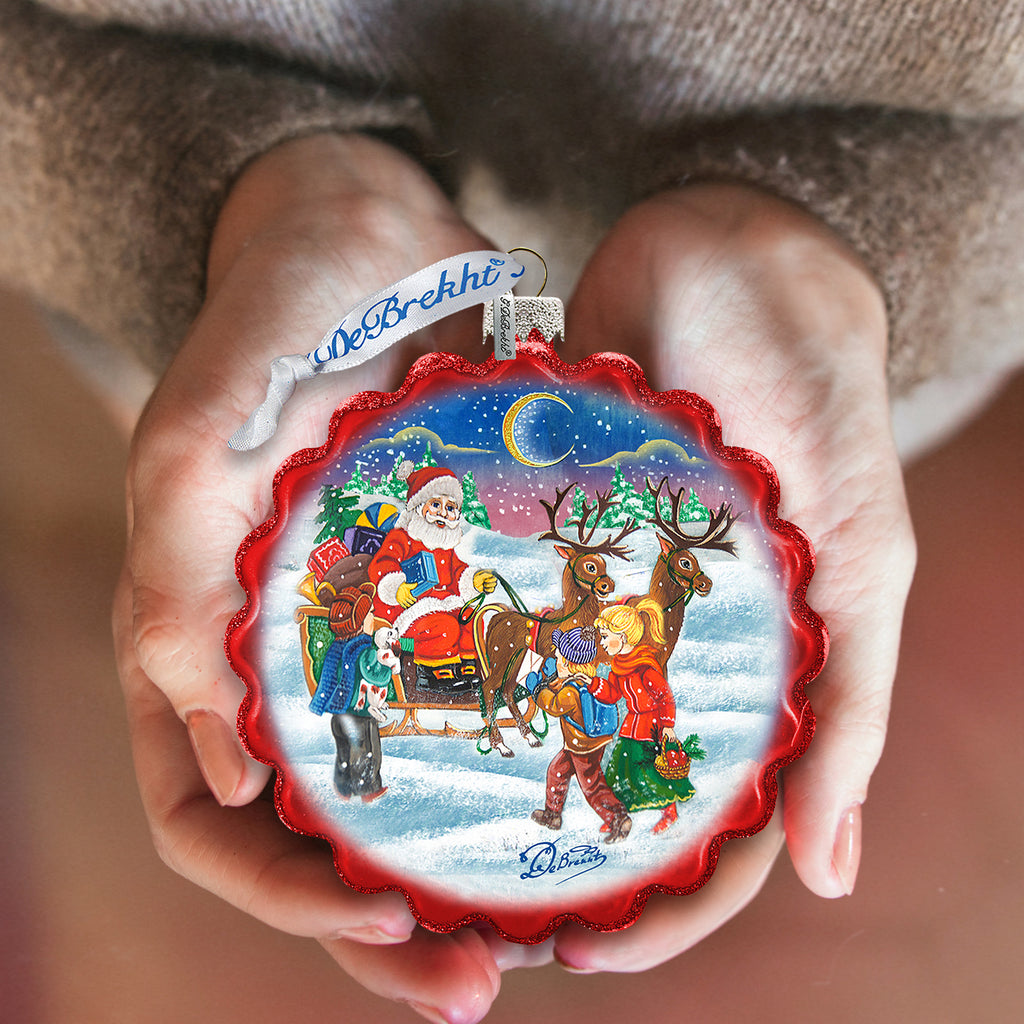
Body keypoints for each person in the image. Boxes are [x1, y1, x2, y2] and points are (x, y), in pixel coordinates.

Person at [3, 2, 1021, 1021]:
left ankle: (559, 772)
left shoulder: (573, 583)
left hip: (300, 376)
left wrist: (869, 247)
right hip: (282, 429)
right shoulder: (430, 553)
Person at [367, 461, 497, 690]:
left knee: (470, 619)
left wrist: (474, 580)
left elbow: (458, 573)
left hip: (444, 604)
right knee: (445, 627)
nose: (443, 513)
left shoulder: (445, 545)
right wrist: (396, 587)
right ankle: (434, 673)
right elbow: (381, 564)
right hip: (407, 611)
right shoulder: (402, 538)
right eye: (435, 504)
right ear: (419, 506)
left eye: (450, 507)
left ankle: (466, 668)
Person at [590, 601, 695, 834]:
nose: (602, 643)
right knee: (619, 776)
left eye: (606, 637)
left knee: (653, 774)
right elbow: (612, 694)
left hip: (651, 729)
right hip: (631, 728)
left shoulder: (645, 668)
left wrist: (667, 726)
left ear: (623, 637)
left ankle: (670, 812)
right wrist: (593, 684)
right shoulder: (618, 667)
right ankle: (618, 816)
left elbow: (665, 697)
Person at [525, 626, 631, 843]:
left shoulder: (570, 692)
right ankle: (552, 815)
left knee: (591, 785)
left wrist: (537, 690)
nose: (556, 658)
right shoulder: (581, 681)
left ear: (570, 664)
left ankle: (617, 819)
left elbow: (554, 705)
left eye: (559, 658)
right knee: (557, 771)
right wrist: (551, 676)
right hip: (581, 744)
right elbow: (560, 687)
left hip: (583, 748)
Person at [308, 584, 397, 803]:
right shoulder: (364, 649)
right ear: (360, 621)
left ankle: (343, 787)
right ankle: (367, 790)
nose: (373, 619)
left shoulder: (337, 647)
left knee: (344, 753)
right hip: (359, 715)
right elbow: (376, 676)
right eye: (371, 614)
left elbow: (328, 677)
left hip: (339, 715)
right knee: (367, 753)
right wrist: (388, 664)